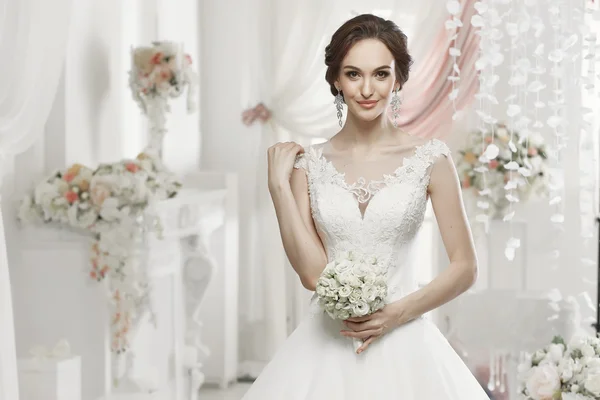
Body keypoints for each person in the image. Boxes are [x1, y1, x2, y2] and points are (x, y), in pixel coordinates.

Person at [242, 14, 489, 399]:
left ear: (398, 79)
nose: (367, 89)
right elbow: (312, 274)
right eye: (354, 74)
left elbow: (465, 267)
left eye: (381, 74)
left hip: (406, 340)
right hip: (324, 344)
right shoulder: (308, 165)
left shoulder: (432, 159)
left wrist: (396, 314)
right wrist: (278, 187)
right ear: (336, 81)